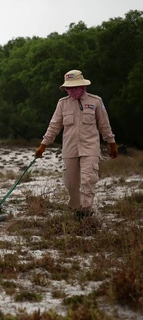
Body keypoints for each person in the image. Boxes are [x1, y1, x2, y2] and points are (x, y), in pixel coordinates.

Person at [35, 70, 118, 219]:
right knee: (71, 182)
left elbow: (104, 125)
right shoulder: (62, 104)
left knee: (88, 179)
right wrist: (43, 145)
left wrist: (112, 143)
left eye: (75, 87)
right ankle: (75, 208)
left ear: (83, 85)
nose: (73, 90)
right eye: (69, 88)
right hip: (70, 148)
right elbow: (54, 126)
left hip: (90, 147)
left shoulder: (95, 101)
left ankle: (85, 212)